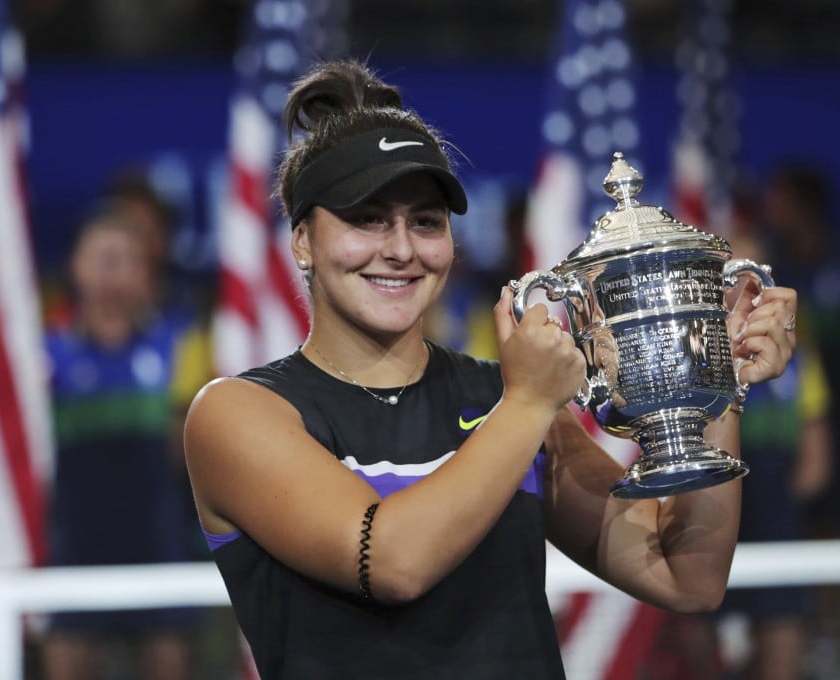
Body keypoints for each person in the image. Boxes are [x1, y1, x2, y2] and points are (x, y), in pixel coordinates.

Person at [184, 60, 799, 679]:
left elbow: (687, 576)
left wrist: (714, 375)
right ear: (302, 241)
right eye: (367, 218)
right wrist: (527, 404)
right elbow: (393, 563)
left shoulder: (504, 399)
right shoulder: (239, 413)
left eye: (426, 222)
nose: (401, 248)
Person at [42, 203, 204, 680]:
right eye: (102, 257)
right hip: (73, 545)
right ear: (75, 266)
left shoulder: (183, 345)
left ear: (146, 271)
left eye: (126, 259)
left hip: (158, 541)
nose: (113, 270)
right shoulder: (43, 353)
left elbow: (196, 453)